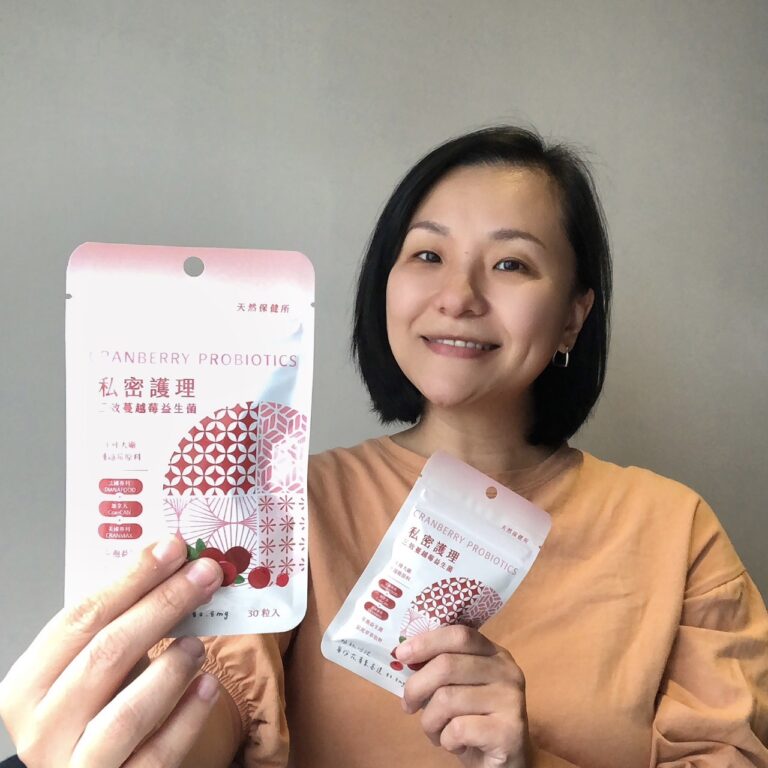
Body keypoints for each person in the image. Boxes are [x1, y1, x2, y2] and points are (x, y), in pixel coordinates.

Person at [1, 126, 767, 767]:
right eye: (427, 255)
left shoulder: (675, 530)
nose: (458, 296)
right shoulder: (288, 504)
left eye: (510, 263)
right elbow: (216, 710)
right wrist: (110, 736)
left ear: (573, 315)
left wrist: (529, 760)